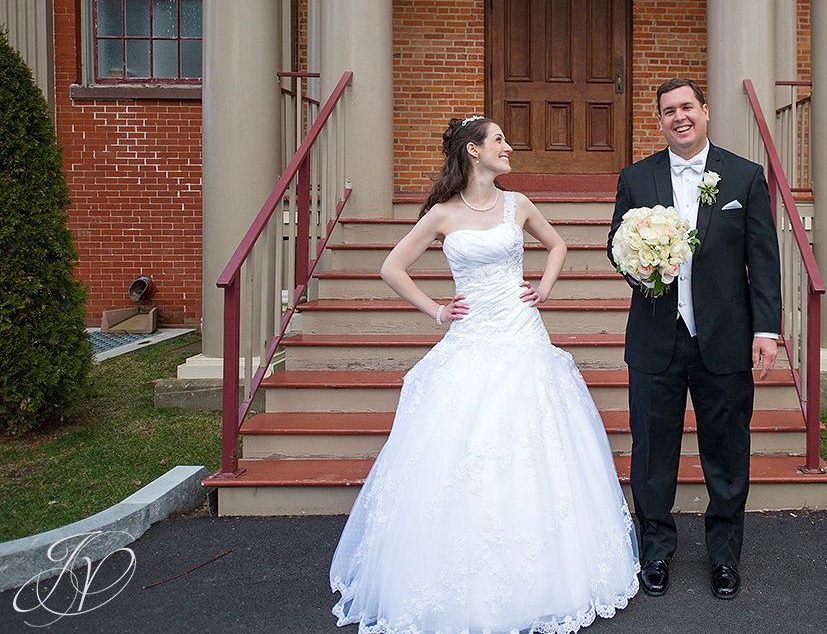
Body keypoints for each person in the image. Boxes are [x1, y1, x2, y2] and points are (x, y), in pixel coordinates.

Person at [330, 116, 639, 634]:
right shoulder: (442, 214)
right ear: (473, 151)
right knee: (467, 449)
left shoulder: (517, 204)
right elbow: (391, 267)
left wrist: (544, 286)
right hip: (471, 340)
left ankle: (544, 575)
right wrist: (436, 311)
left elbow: (558, 245)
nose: (509, 146)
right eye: (499, 140)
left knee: (533, 446)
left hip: (522, 334)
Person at [607, 78, 781, 601]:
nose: (678, 117)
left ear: (705, 111)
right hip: (656, 338)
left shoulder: (745, 177)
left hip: (723, 339)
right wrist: (644, 268)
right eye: (668, 111)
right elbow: (617, 246)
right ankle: (654, 551)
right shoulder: (636, 177)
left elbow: (764, 260)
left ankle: (724, 557)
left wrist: (765, 330)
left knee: (727, 452)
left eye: (687, 107)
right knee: (653, 451)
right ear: (659, 120)